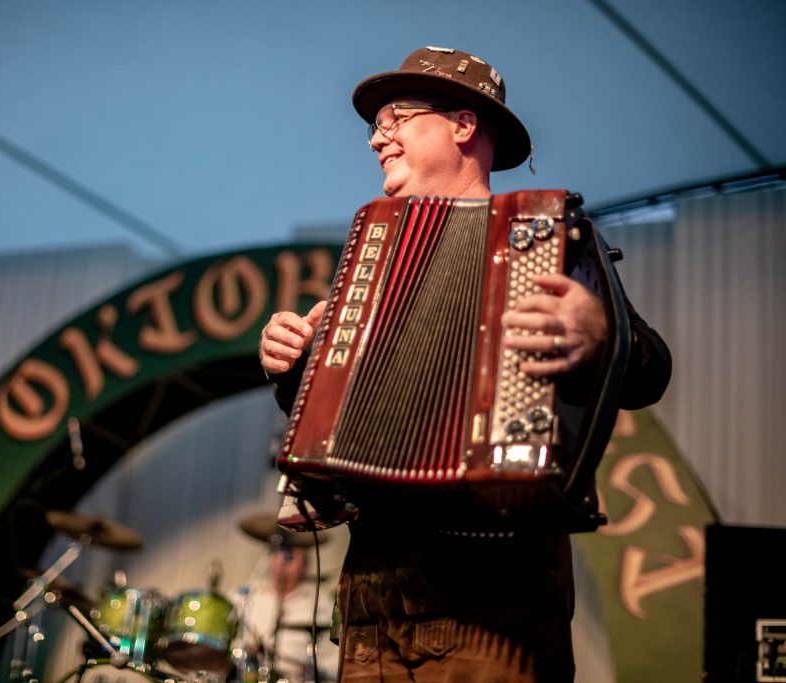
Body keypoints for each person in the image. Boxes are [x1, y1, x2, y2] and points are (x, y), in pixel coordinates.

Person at [258, 46, 672, 682]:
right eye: (376, 126)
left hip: (494, 604)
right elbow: (333, 426)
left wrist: (601, 332)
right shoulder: (372, 250)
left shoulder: (541, 236)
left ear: (462, 124)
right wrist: (293, 368)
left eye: (395, 119)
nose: (376, 140)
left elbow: (650, 370)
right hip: (372, 600)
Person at [233, 513, 337, 682]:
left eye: (292, 554)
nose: (283, 560)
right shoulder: (244, 596)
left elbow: (334, 662)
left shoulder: (322, 605)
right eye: (278, 552)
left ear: (305, 563)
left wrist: (312, 669)